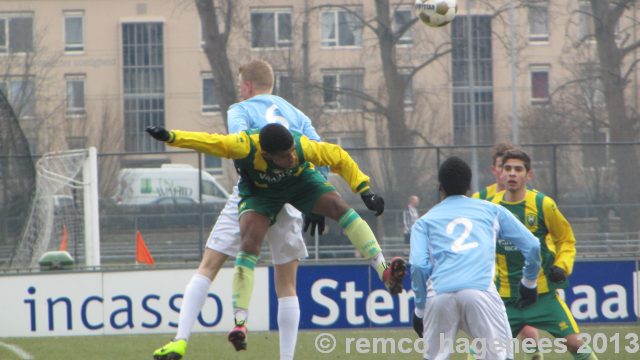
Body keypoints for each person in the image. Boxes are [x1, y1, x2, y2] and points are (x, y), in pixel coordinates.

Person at [147, 122, 407, 352]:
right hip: (260, 194)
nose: (292, 156)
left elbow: (338, 156)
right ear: (266, 153)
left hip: (300, 183)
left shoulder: (301, 149)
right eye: (285, 155)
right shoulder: (244, 146)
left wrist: (364, 191)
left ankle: (384, 271)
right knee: (249, 243)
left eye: (293, 150)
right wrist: (171, 137)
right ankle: (240, 323)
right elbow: (210, 142)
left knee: (340, 208)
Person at [152, 60, 325, 360]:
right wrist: (315, 196)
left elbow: (236, 144)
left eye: (240, 86)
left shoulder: (240, 109)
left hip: (251, 195)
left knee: (209, 265)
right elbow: (319, 151)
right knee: (286, 283)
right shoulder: (296, 114)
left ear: (246, 86)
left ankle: (180, 340)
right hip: (291, 197)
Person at [410, 156, 541, 360]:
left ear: (440, 187)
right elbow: (532, 245)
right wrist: (529, 282)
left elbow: (418, 266)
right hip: (479, 292)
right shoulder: (491, 210)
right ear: (469, 186)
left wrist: (420, 309)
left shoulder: (424, 222)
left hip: (439, 295)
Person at [490, 149, 599, 360]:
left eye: (518, 169)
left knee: (577, 344)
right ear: (500, 173)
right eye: (508, 168)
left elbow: (566, 239)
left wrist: (562, 266)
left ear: (528, 175)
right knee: (479, 352)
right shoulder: (491, 207)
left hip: (541, 295)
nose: (512, 173)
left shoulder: (543, 204)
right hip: (503, 299)